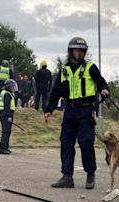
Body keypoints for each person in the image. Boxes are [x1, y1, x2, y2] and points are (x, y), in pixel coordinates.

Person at [44, 37, 109, 189]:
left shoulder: (90, 67)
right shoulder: (64, 70)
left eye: (81, 50)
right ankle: (67, 177)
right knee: (66, 142)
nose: (78, 53)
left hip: (86, 110)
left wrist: (104, 90)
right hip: (69, 110)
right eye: (75, 50)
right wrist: (49, 109)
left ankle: (90, 174)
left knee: (86, 142)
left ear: (84, 52)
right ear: (70, 51)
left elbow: (101, 82)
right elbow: (55, 92)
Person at [0, 79, 18, 155]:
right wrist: (9, 116)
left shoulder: (4, 93)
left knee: (6, 132)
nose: (13, 88)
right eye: (12, 86)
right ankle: (2, 148)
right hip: (7, 115)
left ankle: (5, 147)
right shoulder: (7, 94)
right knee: (6, 132)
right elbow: (7, 106)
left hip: (3, 114)